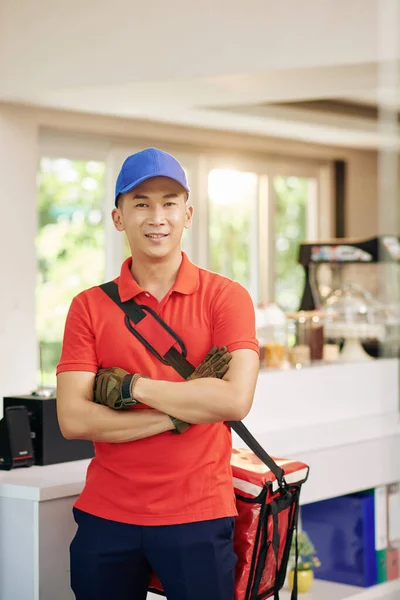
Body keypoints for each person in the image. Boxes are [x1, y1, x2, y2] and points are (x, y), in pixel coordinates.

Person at [56, 147, 260, 600]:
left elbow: (233, 401)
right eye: (141, 203)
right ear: (118, 217)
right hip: (107, 516)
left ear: (187, 215)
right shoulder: (89, 307)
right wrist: (182, 410)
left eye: (169, 202)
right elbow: (73, 419)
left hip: (199, 514)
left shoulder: (225, 298)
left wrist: (130, 387)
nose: (157, 217)